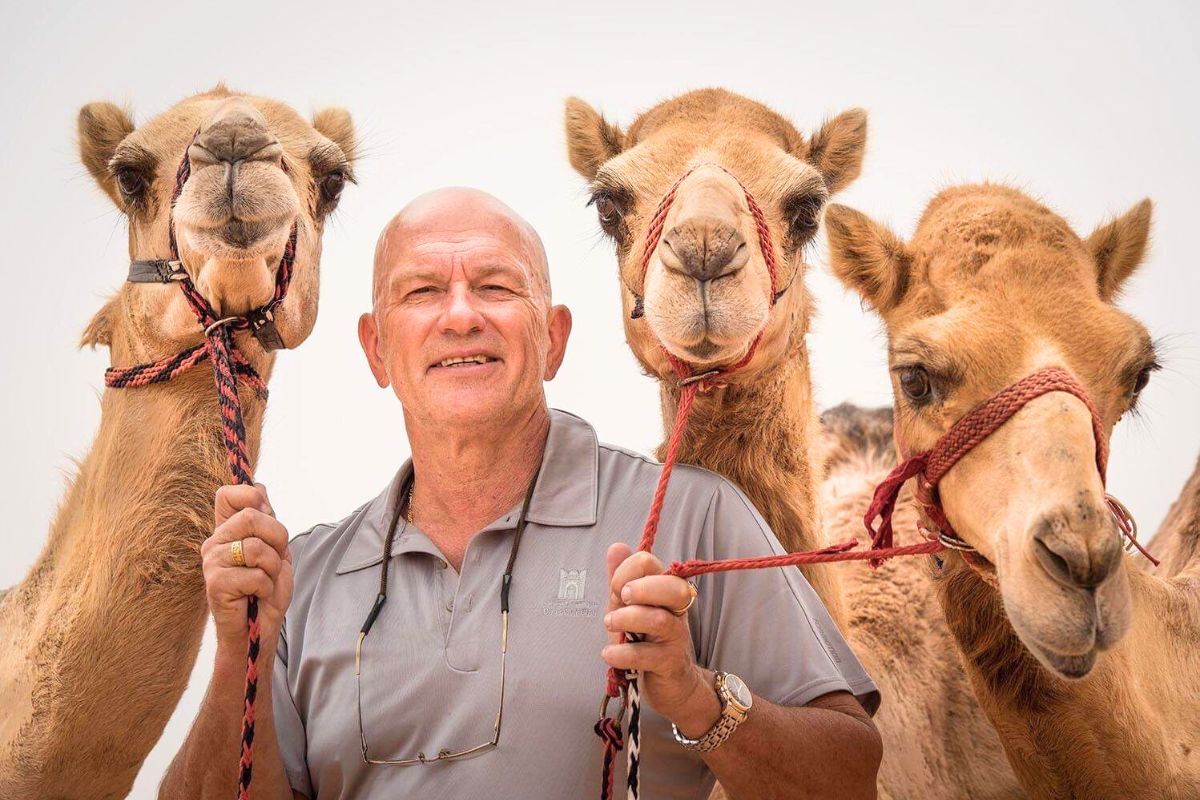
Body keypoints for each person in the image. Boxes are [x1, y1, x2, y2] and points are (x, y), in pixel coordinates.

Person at [161, 188, 883, 800]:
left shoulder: (691, 517)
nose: (461, 315)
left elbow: (851, 774)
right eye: (422, 291)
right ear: (377, 350)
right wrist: (236, 652)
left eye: (496, 286)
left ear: (554, 339)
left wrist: (694, 696)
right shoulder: (305, 577)